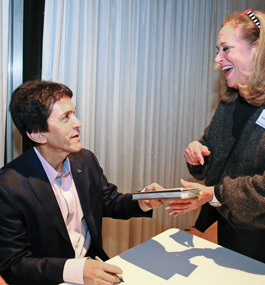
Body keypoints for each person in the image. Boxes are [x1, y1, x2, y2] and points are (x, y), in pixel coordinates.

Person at [0, 80, 164, 285]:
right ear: (38, 134)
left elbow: (109, 201)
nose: (78, 123)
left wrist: (144, 198)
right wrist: (76, 270)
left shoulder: (84, 160)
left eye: (74, 113)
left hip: (95, 269)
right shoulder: (8, 186)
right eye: (65, 118)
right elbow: (13, 264)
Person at [166, 9, 265, 263]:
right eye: (217, 50)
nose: (217, 59)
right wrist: (196, 153)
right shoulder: (230, 101)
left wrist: (213, 193)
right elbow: (210, 159)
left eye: (226, 49)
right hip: (230, 230)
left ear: (257, 50)